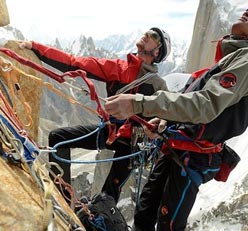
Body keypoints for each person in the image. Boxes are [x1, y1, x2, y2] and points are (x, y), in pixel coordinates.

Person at [104, 4, 248, 231]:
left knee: (169, 227)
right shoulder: (234, 57)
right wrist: (165, 121)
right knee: (147, 210)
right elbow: (200, 105)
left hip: (192, 158)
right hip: (177, 149)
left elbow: (205, 105)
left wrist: (140, 104)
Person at [19, 27, 171, 203]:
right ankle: (64, 201)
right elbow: (74, 63)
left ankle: (101, 223)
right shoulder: (118, 68)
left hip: (134, 144)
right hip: (111, 132)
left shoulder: (158, 85)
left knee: (108, 195)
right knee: (58, 138)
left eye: (153, 36)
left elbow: (170, 114)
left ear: (157, 51)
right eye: (148, 32)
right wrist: (35, 47)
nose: (146, 34)